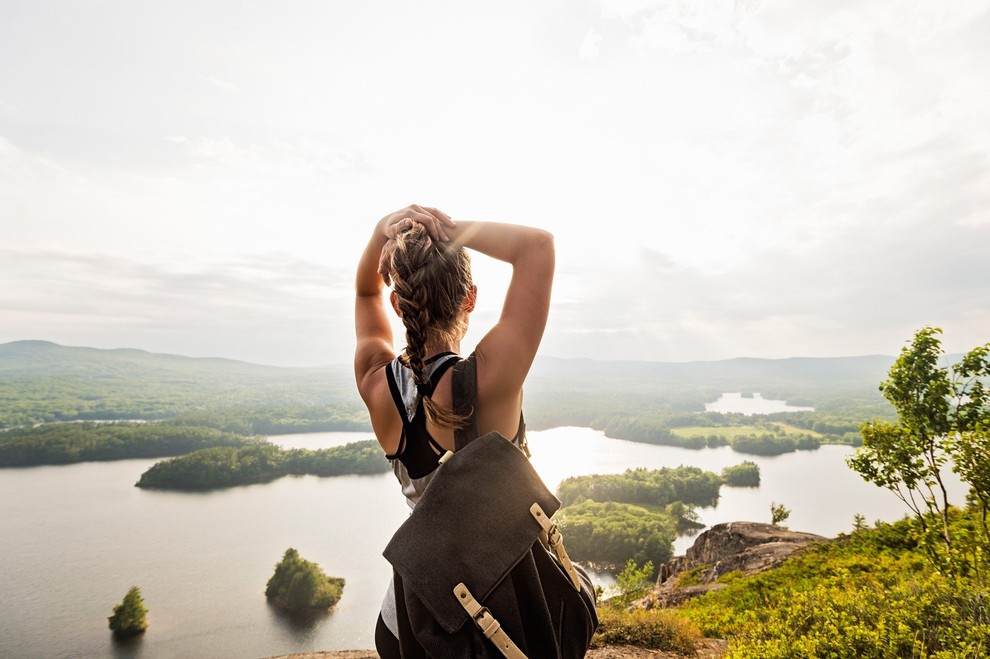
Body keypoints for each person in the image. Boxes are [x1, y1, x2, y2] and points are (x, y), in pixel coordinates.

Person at [353, 204, 555, 657]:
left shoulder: (375, 383)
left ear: (397, 303)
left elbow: (366, 294)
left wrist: (378, 233)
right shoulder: (491, 379)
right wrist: (448, 230)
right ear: (470, 299)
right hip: (507, 618)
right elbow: (536, 247)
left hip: (408, 624)